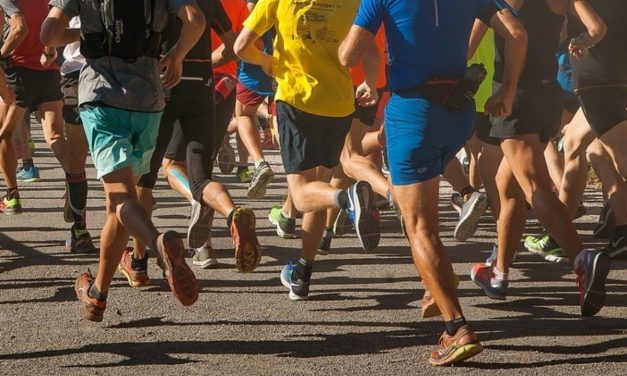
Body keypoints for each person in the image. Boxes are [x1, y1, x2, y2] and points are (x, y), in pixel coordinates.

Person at [340, 0, 527, 366]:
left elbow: (349, 55)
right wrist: (506, 92)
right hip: (459, 113)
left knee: (420, 226)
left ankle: (457, 328)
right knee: (423, 216)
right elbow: (517, 34)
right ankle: (433, 287)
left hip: (413, 111)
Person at [42, 0, 206, 321]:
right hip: (148, 100)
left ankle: (159, 245)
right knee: (117, 205)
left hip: (101, 97)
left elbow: (48, 34)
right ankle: (98, 295)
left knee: (121, 198)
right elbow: (196, 20)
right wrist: (176, 55)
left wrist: (85, 33)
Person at [469, 0, 610, 319]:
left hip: (514, 97)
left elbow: (466, 47)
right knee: (509, 189)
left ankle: (581, 259)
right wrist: (581, 43)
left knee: (535, 188)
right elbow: (597, 28)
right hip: (548, 97)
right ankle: (499, 272)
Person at [235, 0, 380, 302]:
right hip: (340, 103)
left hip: (296, 101)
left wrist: (266, 61)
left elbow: (241, 46)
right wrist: (369, 82)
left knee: (301, 194)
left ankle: (347, 199)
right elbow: (370, 48)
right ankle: (303, 272)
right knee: (319, 186)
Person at [129, 0, 260, 282]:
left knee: (144, 181)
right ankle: (233, 214)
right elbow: (233, 46)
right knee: (200, 178)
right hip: (201, 90)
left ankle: (139, 264)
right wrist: (207, 62)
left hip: (161, 88)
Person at [570, 0, 627, 259]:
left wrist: (582, 41)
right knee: (580, 145)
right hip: (611, 75)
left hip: (598, 80)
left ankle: (558, 231)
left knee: (622, 156)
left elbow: (595, 28)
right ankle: (622, 229)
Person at [234, 0, 275, 199]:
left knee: (243, 112)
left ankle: (259, 162)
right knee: (281, 114)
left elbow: (250, 12)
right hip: (292, 54)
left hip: (259, 55)